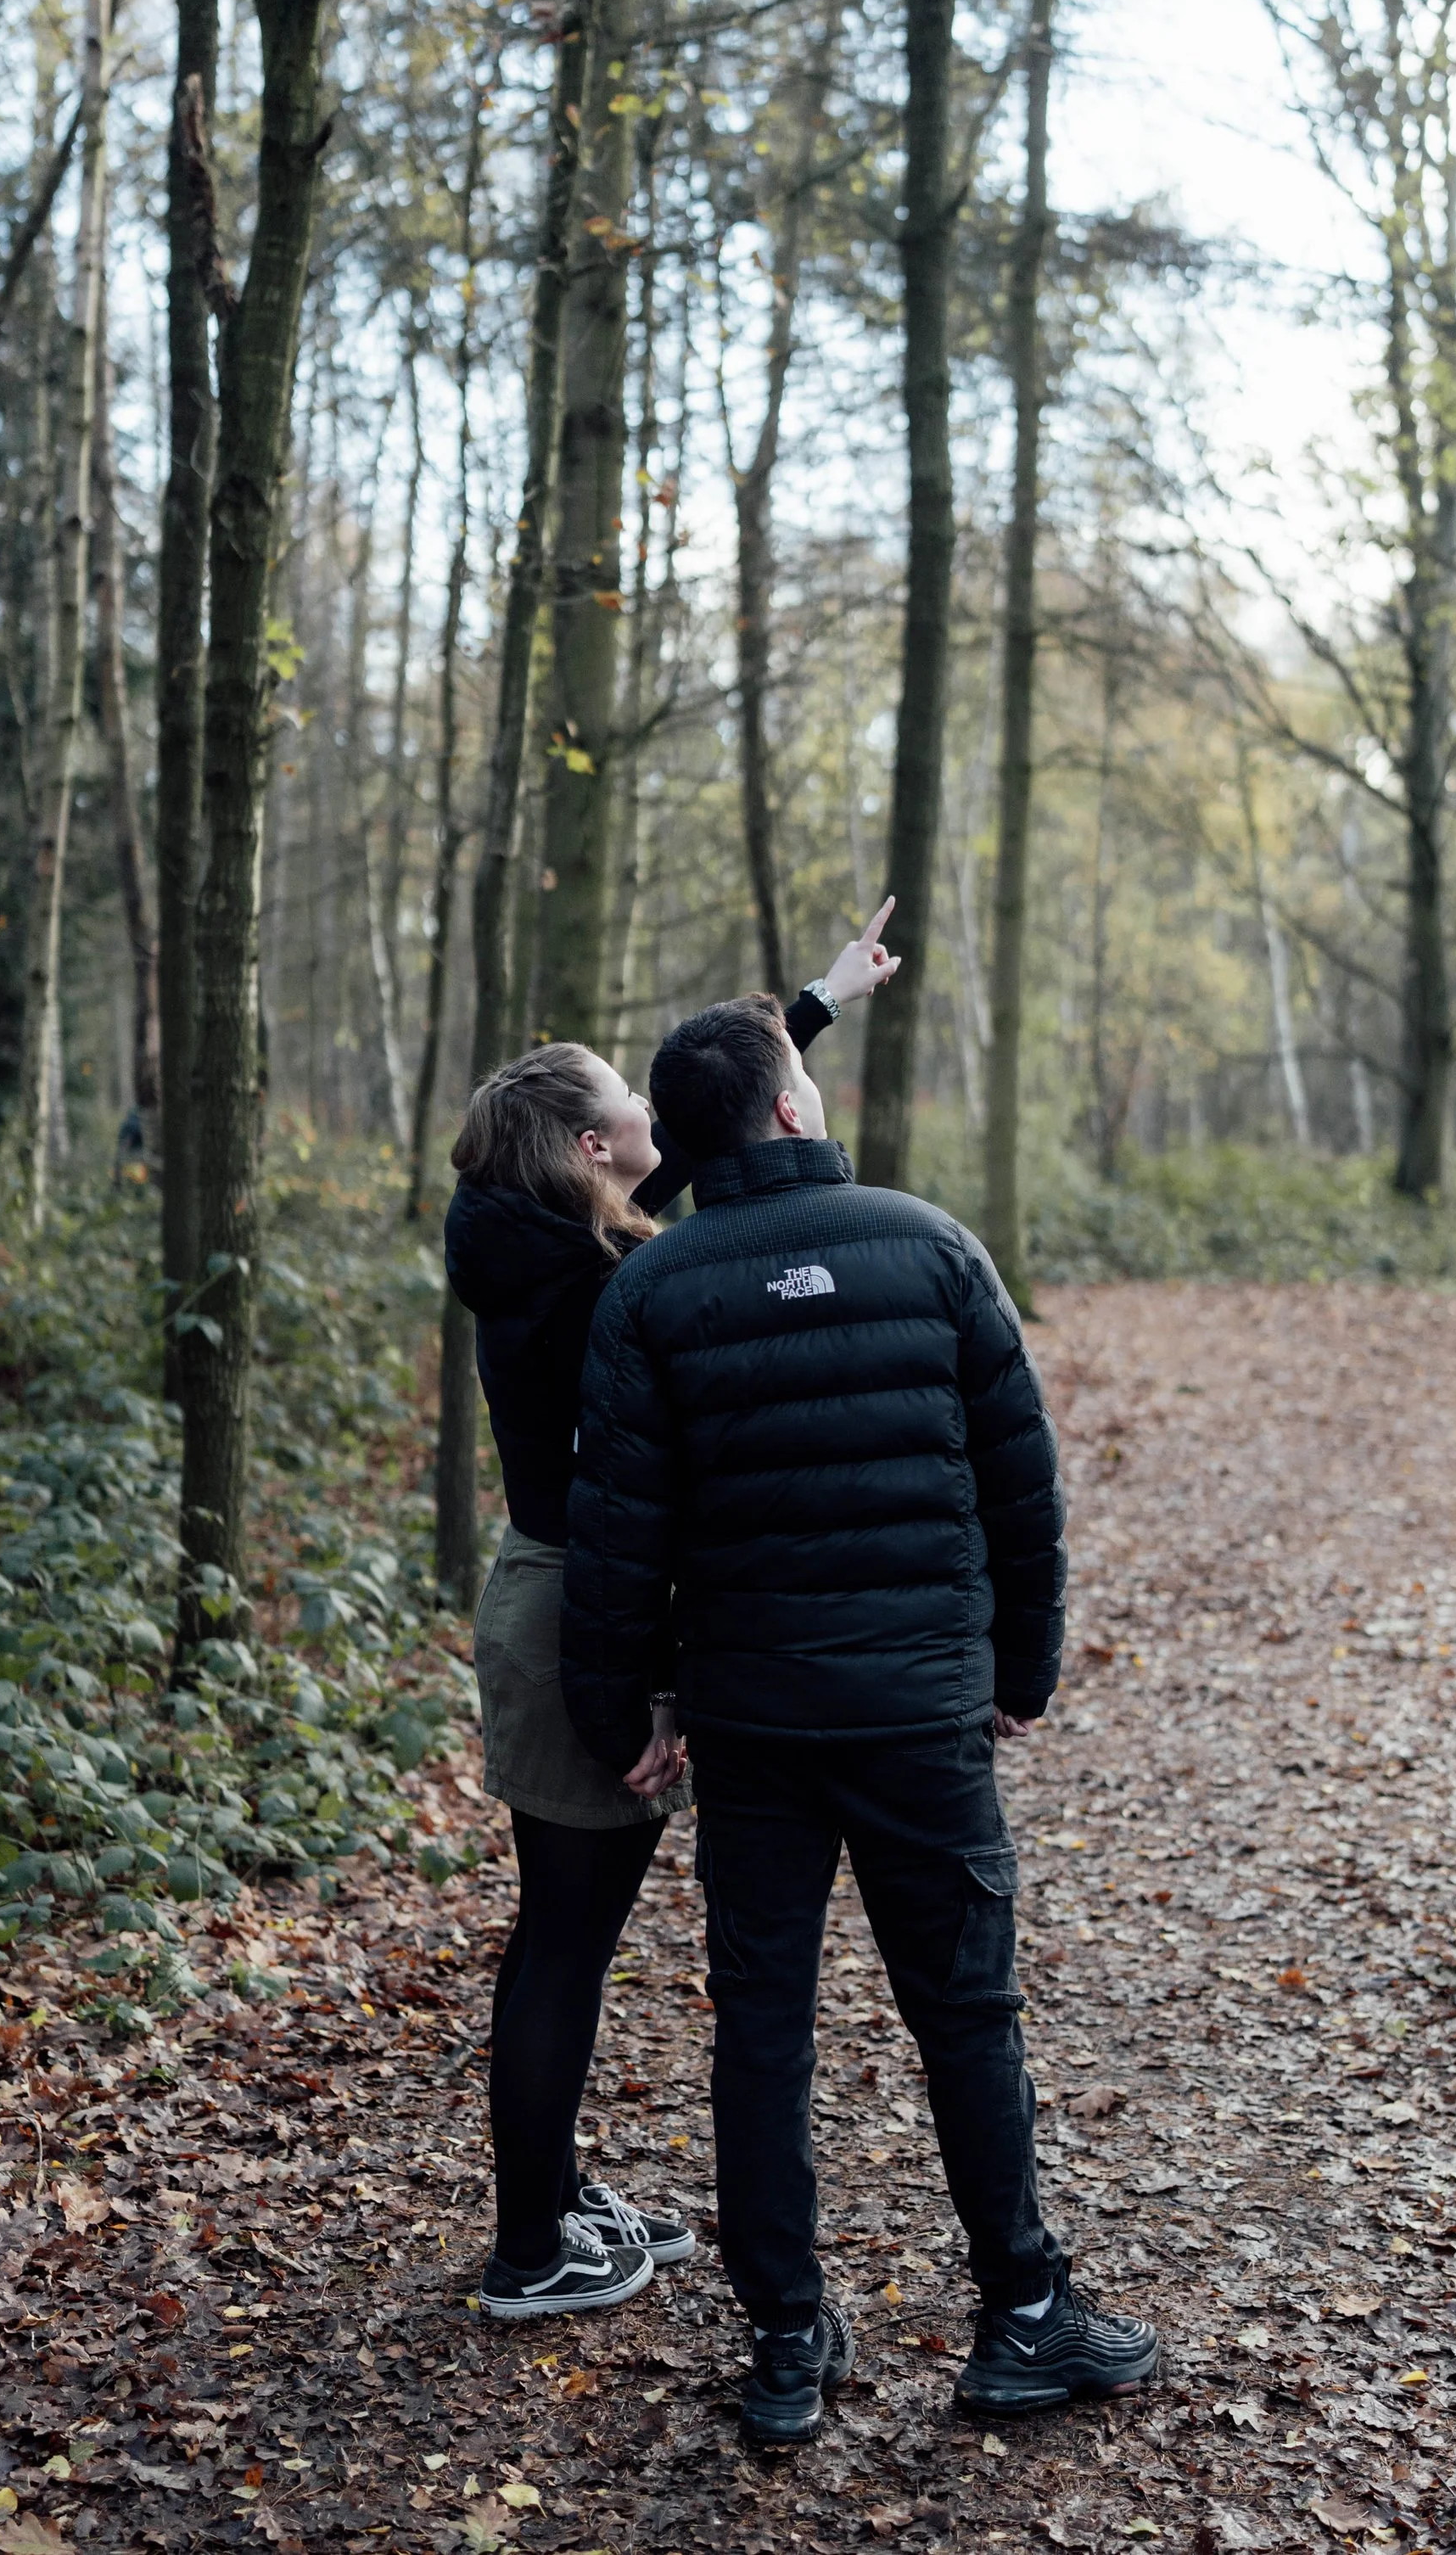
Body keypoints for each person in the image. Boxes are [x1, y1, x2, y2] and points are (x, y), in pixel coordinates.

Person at [559, 993, 1158, 2441]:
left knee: (761, 2028)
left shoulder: (653, 1293)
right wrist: (1024, 1666)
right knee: (968, 2013)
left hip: (756, 1722)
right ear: (786, 1110)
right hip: (914, 1716)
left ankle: (784, 2344)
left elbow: (618, 1534)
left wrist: (612, 1710)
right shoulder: (933, 1245)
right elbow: (1022, 1482)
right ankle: (1020, 2316)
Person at [442, 908, 903, 2322]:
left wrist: (813, 1004)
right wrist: (633, 1679)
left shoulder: (547, 1248)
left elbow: (705, 1137)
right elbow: (718, 1152)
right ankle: (529, 2251)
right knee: (564, 1937)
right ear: (592, 1149)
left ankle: (548, 2198)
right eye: (629, 1102)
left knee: (564, 1930)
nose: (656, 1111)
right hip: (576, 1609)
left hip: (563, 1596)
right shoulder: (589, 1291)